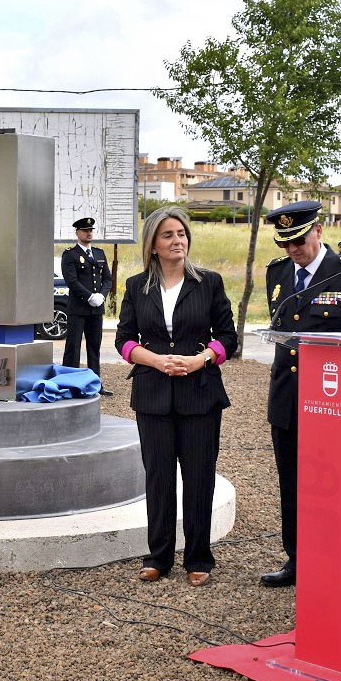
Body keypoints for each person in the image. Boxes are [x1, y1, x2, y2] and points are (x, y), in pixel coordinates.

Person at [114, 207, 237, 586]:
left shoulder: (209, 283)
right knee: (159, 478)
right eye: (168, 235)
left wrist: (199, 360)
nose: (177, 240)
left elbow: (229, 339)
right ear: (152, 244)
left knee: (199, 477)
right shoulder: (137, 287)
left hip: (200, 394)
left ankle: (199, 557)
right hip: (152, 395)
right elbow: (123, 341)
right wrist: (154, 360)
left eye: (181, 233)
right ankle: (159, 556)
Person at [260, 200, 341, 588]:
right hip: (288, 399)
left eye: (299, 240)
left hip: (331, 404)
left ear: (319, 231)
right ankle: (297, 559)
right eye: (285, 243)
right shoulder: (277, 274)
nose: (293, 250)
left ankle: (335, 558)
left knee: (332, 484)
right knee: (291, 483)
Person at [62, 217, 113, 396]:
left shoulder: (99, 253)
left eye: (91, 230)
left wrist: (101, 295)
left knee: (94, 347)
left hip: (96, 309)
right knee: (73, 348)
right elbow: (71, 281)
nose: (89, 233)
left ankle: (95, 384)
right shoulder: (70, 255)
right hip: (78, 308)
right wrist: (89, 296)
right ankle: (69, 384)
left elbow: (107, 278)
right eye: (85, 230)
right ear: (77, 233)